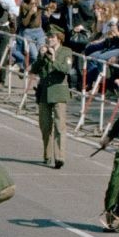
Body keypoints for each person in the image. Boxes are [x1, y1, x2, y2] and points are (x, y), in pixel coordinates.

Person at [33, 28, 73, 168]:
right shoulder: (43, 51)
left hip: (58, 92)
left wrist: (54, 58)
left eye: (52, 37)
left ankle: (59, 157)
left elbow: (66, 70)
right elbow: (34, 69)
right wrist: (42, 56)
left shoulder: (66, 52)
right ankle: (47, 154)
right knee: (45, 126)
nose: (49, 39)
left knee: (59, 126)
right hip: (44, 93)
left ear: (59, 39)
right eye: (48, 37)